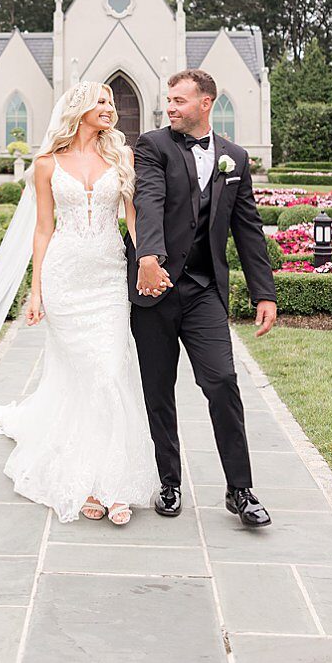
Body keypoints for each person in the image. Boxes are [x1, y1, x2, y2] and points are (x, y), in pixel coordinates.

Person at [0, 81, 158, 524]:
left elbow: (133, 220)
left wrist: (148, 263)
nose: (109, 108)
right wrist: (35, 291)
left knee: (110, 372)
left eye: (111, 102)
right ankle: (90, 483)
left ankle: (116, 483)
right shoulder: (46, 164)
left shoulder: (122, 157)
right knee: (83, 377)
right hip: (65, 279)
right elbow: (42, 229)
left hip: (109, 277)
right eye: (100, 101)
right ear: (78, 109)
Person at [127, 68, 278, 529]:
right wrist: (148, 256)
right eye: (167, 100)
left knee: (222, 382)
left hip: (204, 291)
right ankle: (169, 482)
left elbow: (247, 229)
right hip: (153, 290)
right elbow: (148, 200)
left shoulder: (235, 158)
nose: (169, 107)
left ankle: (241, 489)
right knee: (158, 391)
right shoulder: (152, 146)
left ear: (205, 103)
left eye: (178, 100)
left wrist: (264, 292)